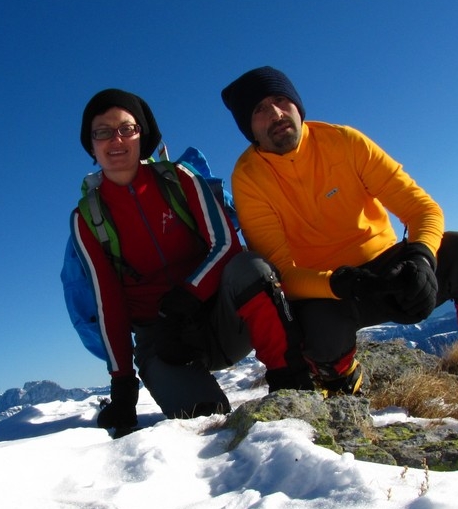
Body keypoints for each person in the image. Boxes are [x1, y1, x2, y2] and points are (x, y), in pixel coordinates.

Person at [220, 66, 458, 395]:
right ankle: (339, 380)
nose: (275, 113)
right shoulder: (249, 179)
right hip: (331, 290)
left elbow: (422, 209)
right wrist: (339, 284)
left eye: (280, 100)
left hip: (393, 267)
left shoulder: (343, 141)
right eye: (259, 110)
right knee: (315, 329)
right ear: (249, 127)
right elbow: (281, 273)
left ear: (297, 105)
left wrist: (421, 258)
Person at [72, 88, 313, 437]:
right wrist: (123, 385)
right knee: (206, 423)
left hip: (220, 316)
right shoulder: (88, 218)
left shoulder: (179, 179)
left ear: (143, 135)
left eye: (127, 128)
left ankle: (290, 385)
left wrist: (189, 296)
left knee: (251, 268)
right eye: (102, 132)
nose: (116, 140)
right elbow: (107, 300)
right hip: (165, 342)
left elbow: (227, 245)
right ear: (91, 145)